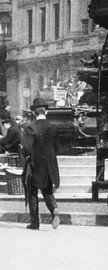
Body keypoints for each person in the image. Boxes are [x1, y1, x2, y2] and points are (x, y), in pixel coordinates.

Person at [21, 97, 60, 230]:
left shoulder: (30, 128)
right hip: (50, 164)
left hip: (35, 164)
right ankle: (54, 209)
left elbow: (27, 148)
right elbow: (57, 148)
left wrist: (25, 154)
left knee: (32, 191)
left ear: (33, 113)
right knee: (47, 190)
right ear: (46, 112)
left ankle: (35, 222)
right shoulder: (53, 127)